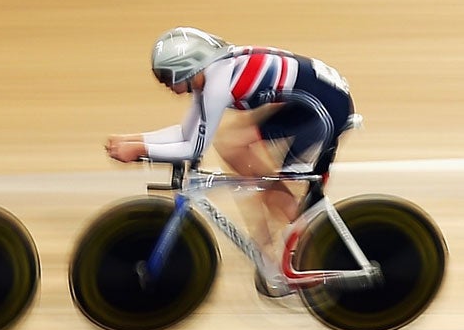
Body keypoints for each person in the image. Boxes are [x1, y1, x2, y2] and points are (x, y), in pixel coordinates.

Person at [105, 26, 354, 289]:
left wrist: (141, 150)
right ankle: (273, 249)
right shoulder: (208, 74)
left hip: (324, 109)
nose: (165, 85)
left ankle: (309, 254)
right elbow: (185, 132)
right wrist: (137, 140)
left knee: (267, 185)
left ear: (186, 69)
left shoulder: (217, 84)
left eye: (166, 76)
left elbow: (193, 148)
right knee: (235, 147)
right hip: (309, 101)